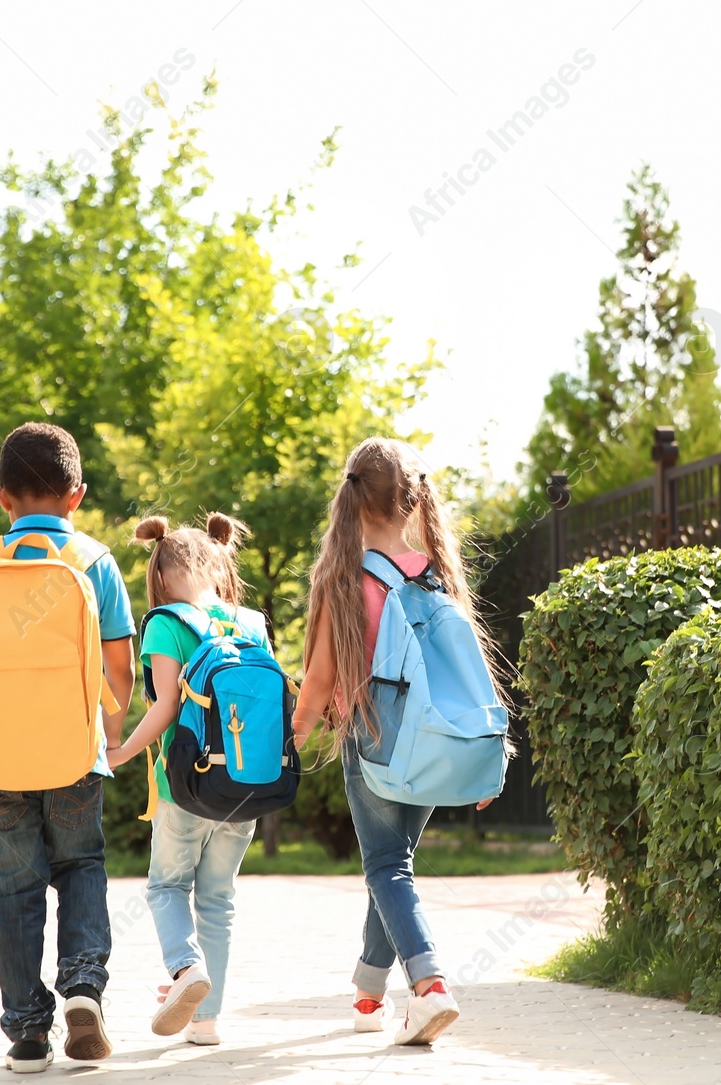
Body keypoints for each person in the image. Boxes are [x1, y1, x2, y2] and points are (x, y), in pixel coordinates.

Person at [0, 422, 135, 1073]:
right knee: (80, 865)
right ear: (78, 495)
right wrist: (113, 724)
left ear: (1, 496)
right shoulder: (94, 560)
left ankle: (26, 1033)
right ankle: (82, 988)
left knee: (13, 889)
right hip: (73, 748)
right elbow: (119, 667)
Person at [292, 436, 501, 1046]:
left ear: (352, 501)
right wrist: (485, 757)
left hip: (376, 739)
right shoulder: (438, 577)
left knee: (386, 867)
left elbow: (320, 681)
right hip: (436, 741)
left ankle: (430, 986)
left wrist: (292, 739)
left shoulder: (343, 579)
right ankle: (366, 996)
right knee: (395, 867)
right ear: (413, 503)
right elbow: (467, 676)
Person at [106, 512, 267, 1047]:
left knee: (166, 886)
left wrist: (122, 750)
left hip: (187, 786)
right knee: (218, 900)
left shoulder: (164, 623)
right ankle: (207, 1021)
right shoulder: (252, 621)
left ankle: (184, 970)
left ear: (159, 574)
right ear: (220, 567)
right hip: (247, 786)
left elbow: (166, 706)